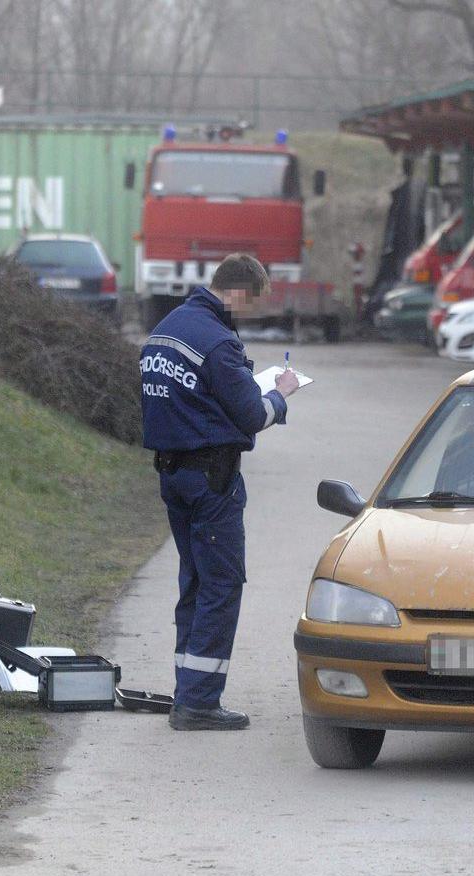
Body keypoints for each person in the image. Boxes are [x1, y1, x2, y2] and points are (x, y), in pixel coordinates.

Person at [139, 253, 300, 731]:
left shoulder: (167, 328)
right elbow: (252, 416)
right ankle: (199, 703)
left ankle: (185, 690)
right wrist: (281, 394)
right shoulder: (219, 343)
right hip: (212, 479)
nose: (251, 313)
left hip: (173, 473)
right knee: (221, 584)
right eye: (254, 302)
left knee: (194, 581)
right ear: (238, 292)